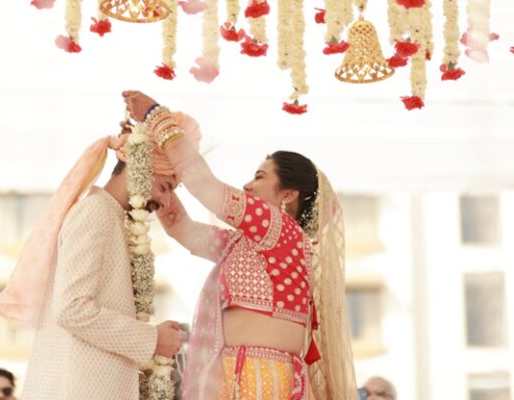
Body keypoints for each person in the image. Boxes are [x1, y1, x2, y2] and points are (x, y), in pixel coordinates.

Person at [123, 90, 358, 399]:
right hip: (244, 373)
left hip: (258, 375)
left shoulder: (279, 228)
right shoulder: (250, 243)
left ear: (288, 195)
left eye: (260, 177)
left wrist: (157, 118)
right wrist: (150, 164)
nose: (248, 185)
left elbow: (204, 185)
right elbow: (181, 227)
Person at [0, 117, 200, 399]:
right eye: (165, 187)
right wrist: (152, 339)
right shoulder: (95, 213)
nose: (165, 202)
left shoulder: (111, 218)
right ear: (141, 166)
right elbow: (71, 308)